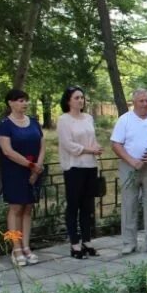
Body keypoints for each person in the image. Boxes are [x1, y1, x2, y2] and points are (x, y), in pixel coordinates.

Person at [110, 88, 147, 254]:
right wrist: (132, 161)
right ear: (134, 102)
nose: (145, 104)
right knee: (129, 204)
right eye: (141, 101)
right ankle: (129, 243)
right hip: (129, 166)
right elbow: (116, 144)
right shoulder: (124, 120)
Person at [0, 88, 46, 266]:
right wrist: (30, 165)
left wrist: (37, 167)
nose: (24, 103)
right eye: (20, 100)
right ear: (10, 103)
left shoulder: (33, 122)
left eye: (25, 100)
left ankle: (26, 246)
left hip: (34, 171)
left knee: (28, 208)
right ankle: (16, 248)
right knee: (16, 208)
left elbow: (42, 145)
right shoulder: (5, 125)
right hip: (15, 171)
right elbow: (8, 151)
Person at [57, 86, 103, 259]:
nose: (80, 100)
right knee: (73, 205)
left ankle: (87, 240)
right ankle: (74, 244)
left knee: (87, 206)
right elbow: (68, 144)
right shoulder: (64, 120)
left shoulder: (88, 118)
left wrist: (96, 147)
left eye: (82, 97)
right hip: (74, 167)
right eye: (76, 98)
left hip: (90, 166)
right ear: (68, 101)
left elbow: (92, 139)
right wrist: (90, 150)